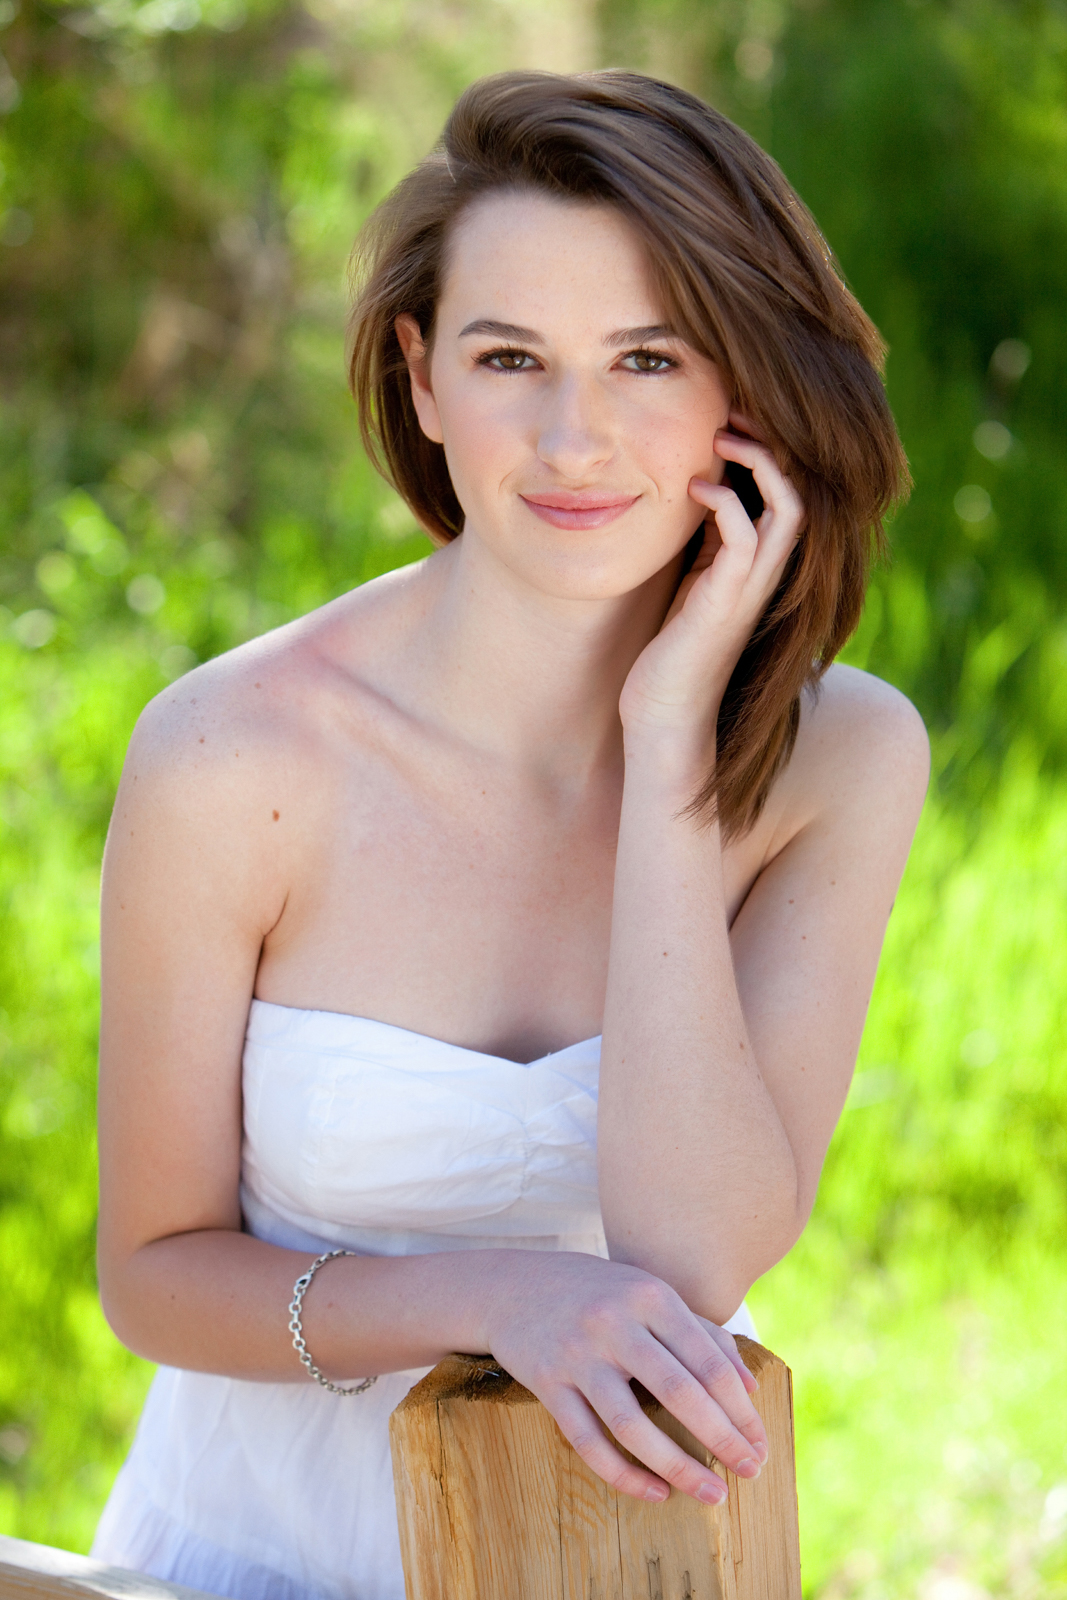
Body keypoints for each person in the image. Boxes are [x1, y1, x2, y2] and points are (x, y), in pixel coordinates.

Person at [90, 69, 929, 1600]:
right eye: (508, 357)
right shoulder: (236, 757)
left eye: (647, 360)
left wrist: (669, 753)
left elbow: (697, 1258)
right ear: (422, 378)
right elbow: (153, 1275)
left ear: (745, 389)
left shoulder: (843, 755)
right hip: (245, 1565)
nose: (573, 437)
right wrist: (501, 1298)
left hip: (634, 1567)